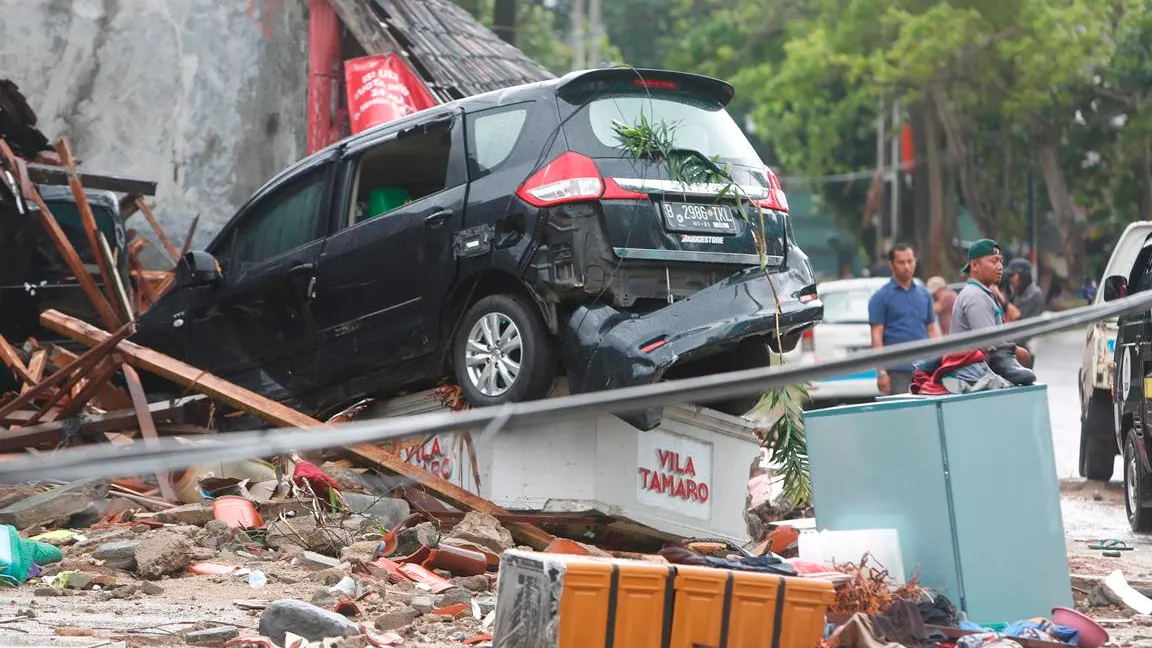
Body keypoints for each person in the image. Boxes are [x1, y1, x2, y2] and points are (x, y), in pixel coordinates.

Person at [868, 244, 941, 395]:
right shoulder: (881, 297)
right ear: (892, 265)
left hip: (925, 368)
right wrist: (881, 372)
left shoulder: (924, 295)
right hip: (897, 369)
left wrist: (940, 361)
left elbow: (932, 329)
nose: (907, 266)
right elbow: (876, 335)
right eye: (901, 262)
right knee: (902, 412)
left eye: (910, 261)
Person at [952, 238, 1033, 369]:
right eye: (993, 261)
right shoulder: (975, 296)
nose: (1000, 266)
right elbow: (988, 346)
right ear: (974, 265)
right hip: (974, 376)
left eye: (1000, 260)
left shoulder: (983, 292)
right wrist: (1020, 354)